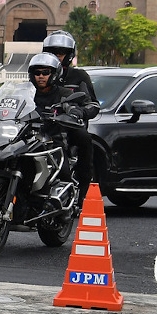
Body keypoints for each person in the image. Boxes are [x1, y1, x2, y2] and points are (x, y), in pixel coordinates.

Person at [42, 31, 99, 207]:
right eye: (52, 52)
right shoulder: (40, 73)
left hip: (68, 126)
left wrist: (79, 113)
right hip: (43, 125)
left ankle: (83, 190)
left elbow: (93, 105)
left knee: (85, 139)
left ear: (69, 55)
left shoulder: (79, 76)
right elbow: (25, 96)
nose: (56, 57)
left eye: (60, 53)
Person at [27, 52, 86, 191]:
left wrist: (73, 112)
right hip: (27, 140)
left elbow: (72, 106)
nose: (40, 76)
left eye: (45, 72)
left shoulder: (63, 94)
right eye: (37, 72)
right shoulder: (26, 92)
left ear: (54, 74)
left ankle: (71, 195)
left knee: (63, 173)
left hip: (53, 143)